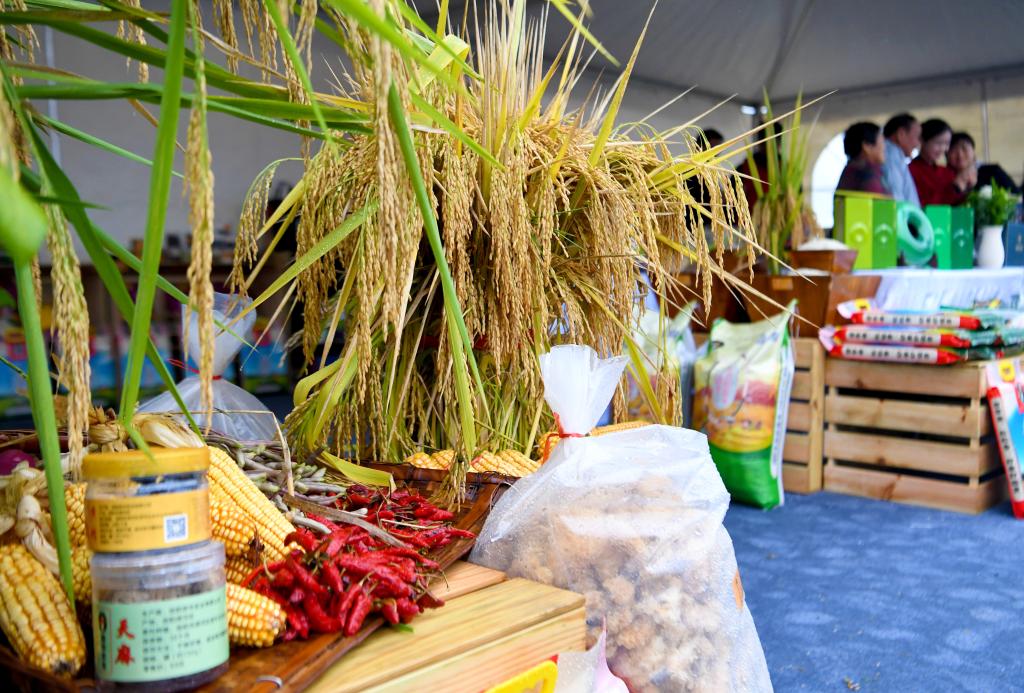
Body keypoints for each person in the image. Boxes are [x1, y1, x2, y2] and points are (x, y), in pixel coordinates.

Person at [908, 118, 974, 205]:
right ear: (922, 141)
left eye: (946, 144)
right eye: (938, 143)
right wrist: (955, 188)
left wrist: (968, 187)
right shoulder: (911, 171)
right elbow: (923, 203)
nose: (943, 149)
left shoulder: (947, 172)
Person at [948, 131, 1022, 195]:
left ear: (973, 152)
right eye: (953, 150)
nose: (960, 155)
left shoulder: (993, 171)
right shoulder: (945, 177)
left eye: (964, 148)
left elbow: (1016, 195)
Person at [836, 121, 889, 195]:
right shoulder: (866, 173)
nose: (885, 147)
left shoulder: (850, 171)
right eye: (882, 142)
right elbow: (882, 200)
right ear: (867, 146)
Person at [881, 114, 921, 205]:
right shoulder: (891, 154)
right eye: (917, 137)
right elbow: (896, 198)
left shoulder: (896, 155)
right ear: (901, 134)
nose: (917, 144)